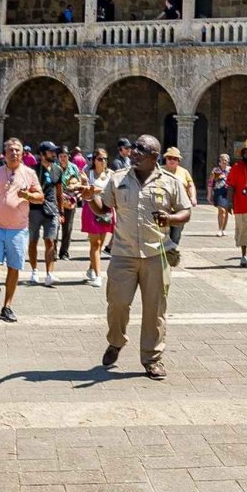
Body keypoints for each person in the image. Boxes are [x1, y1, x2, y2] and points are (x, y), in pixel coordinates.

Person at [83, 134, 190, 380]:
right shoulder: (118, 179)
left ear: (155, 156)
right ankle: (116, 341)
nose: (134, 151)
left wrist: (171, 219)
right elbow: (103, 208)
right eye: (134, 147)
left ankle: (152, 359)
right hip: (123, 253)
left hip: (156, 254)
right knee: (117, 303)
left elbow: (185, 211)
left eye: (141, 149)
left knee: (155, 310)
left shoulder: (170, 182)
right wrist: (91, 197)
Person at [0, 136, 41, 322]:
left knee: (14, 267)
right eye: (10, 150)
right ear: (4, 154)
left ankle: (7, 306)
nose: (14, 153)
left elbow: (40, 197)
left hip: (19, 229)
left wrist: (28, 195)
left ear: (22, 153)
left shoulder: (29, 173)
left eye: (17, 150)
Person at [26, 141, 65, 286]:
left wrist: (61, 212)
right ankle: (34, 270)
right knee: (33, 241)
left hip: (52, 209)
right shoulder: (33, 170)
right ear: (42, 154)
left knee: (50, 241)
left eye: (54, 151)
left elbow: (59, 192)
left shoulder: (58, 170)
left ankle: (49, 273)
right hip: (35, 209)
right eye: (50, 152)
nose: (54, 154)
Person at [79, 149, 114, 285]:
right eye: (100, 159)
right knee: (96, 243)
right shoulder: (88, 173)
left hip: (106, 209)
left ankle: (91, 268)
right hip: (91, 209)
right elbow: (83, 189)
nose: (103, 161)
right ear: (94, 160)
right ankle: (98, 276)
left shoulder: (110, 174)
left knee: (101, 243)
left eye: (105, 159)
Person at [161, 147, 197, 245]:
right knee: (162, 235)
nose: (172, 160)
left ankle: (172, 255)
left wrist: (193, 197)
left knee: (176, 236)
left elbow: (190, 185)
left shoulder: (184, 172)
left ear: (178, 161)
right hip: (163, 208)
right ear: (166, 159)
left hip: (179, 209)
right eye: (169, 158)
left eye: (175, 158)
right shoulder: (159, 170)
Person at [56, 146, 81, 261]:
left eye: (65, 156)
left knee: (68, 228)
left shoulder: (74, 168)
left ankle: (64, 252)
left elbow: (78, 182)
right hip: (56, 201)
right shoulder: (54, 167)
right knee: (54, 227)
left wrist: (74, 190)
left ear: (68, 156)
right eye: (60, 156)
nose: (63, 158)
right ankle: (52, 251)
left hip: (70, 201)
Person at [207, 154, 231, 237]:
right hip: (218, 192)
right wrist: (209, 194)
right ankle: (220, 229)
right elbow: (210, 182)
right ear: (219, 162)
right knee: (222, 210)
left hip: (228, 192)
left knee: (226, 210)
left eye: (225, 160)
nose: (224, 162)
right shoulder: (215, 170)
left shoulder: (230, 170)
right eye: (222, 160)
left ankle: (223, 229)